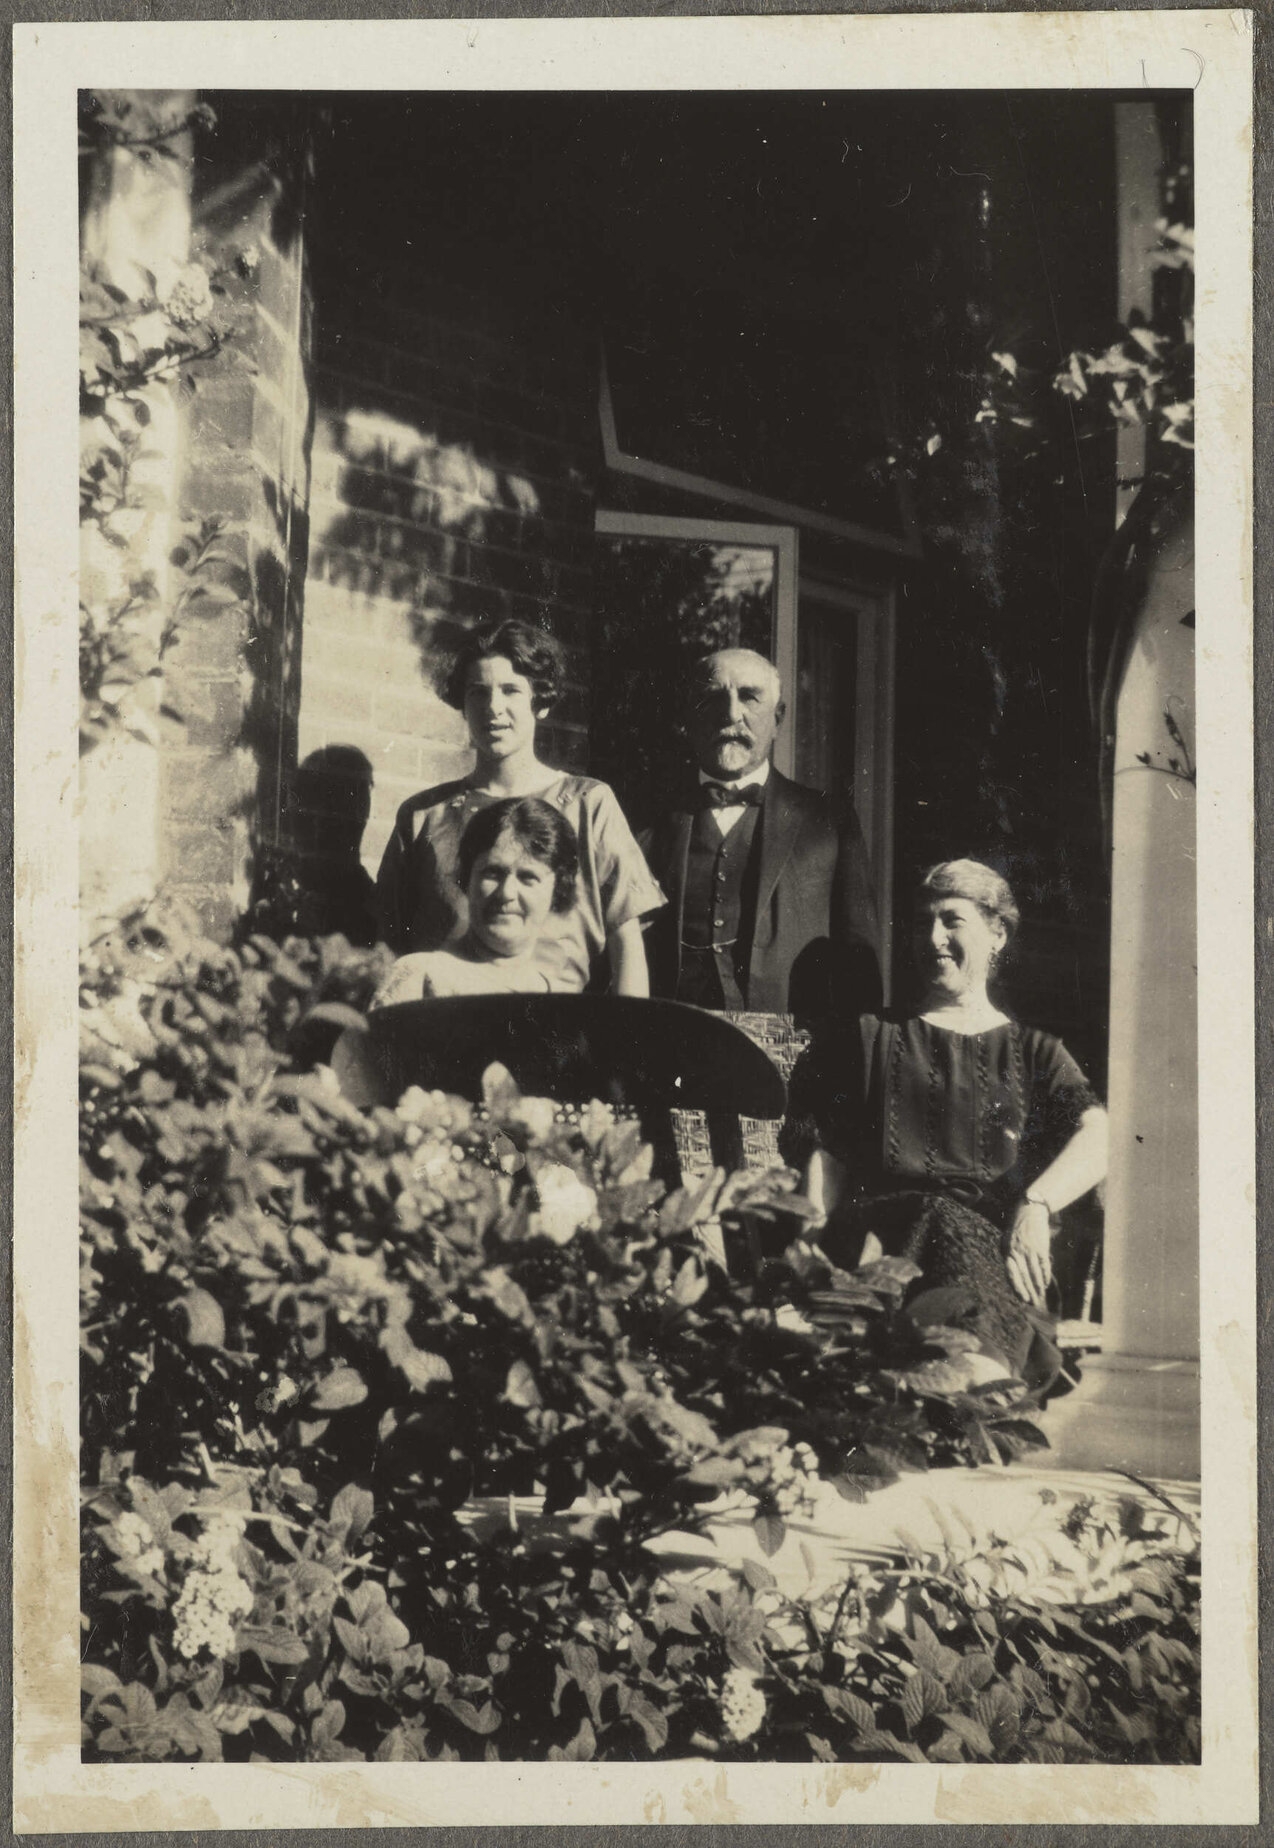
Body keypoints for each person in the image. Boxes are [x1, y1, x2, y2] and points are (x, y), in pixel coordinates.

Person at [781, 859, 1108, 1392]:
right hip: (880, 1253)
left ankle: (959, 1378)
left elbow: (1099, 1134)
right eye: (920, 922)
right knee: (934, 1211)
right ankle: (976, 1383)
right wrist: (810, 1265)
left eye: (951, 920)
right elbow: (827, 1161)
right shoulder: (868, 1038)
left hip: (990, 1269)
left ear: (997, 932)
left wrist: (1037, 1202)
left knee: (956, 1224)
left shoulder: (1035, 1052)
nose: (932, 937)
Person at [376, 619, 665, 995]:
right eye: (478, 693)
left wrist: (626, 1051)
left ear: (540, 702)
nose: (493, 708)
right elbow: (388, 946)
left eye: (511, 690)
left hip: (554, 1032)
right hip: (444, 1030)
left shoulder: (588, 804)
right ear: (462, 705)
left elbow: (627, 947)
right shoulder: (423, 816)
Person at [640, 647, 881, 1025]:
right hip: (671, 1045)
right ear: (691, 715)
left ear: (779, 716)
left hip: (790, 1053)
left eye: (749, 697)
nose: (731, 714)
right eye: (713, 698)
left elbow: (859, 962)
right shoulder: (645, 818)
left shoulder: (830, 822)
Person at [373, 797, 581, 1005]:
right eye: (493, 873)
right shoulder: (419, 977)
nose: (506, 893)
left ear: (558, 890)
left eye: (528, 877)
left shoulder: (558, 1000)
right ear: (466, 879)